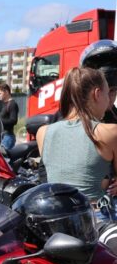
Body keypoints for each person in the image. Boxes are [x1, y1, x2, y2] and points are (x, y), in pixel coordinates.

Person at [37, 67, 117, 204]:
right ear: (97, 94)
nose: (109, 101)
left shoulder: (42, 132)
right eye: (107, 93)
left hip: (57, 217)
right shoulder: (110, 132)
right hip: (95, 217)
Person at [0, 83, 19, 150]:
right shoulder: (5, 104)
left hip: (8, 137)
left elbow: (14, 120)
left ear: (6, 92)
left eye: (0, 93)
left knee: (3, 159)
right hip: (3, 136)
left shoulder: (12, 104)